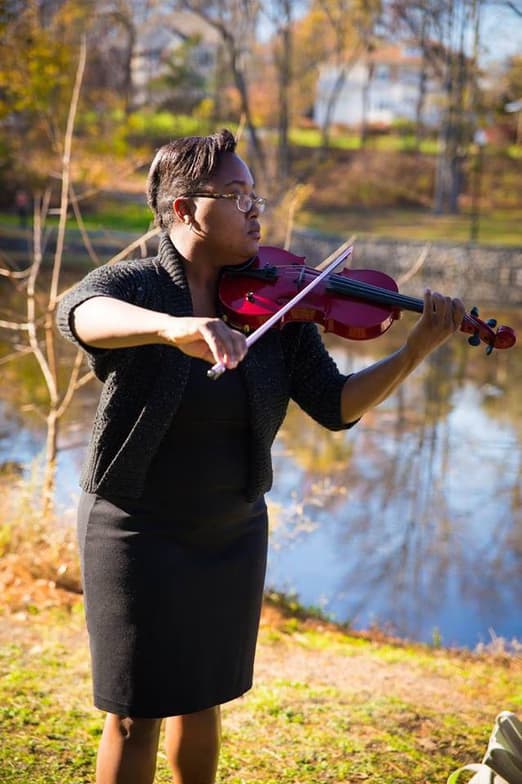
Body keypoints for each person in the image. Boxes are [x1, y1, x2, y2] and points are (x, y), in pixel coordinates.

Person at [56, 128, 465, 784]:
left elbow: (336, 406)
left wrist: (414, 351)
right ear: (185, 208)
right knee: (135, 712)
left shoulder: (281, 301)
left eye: (255, 196)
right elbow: (75, 312)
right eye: (236, 195)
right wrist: (173, 329)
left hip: (231, 526)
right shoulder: (136, 286)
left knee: (203, 699)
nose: (255, 209)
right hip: (134, 524)